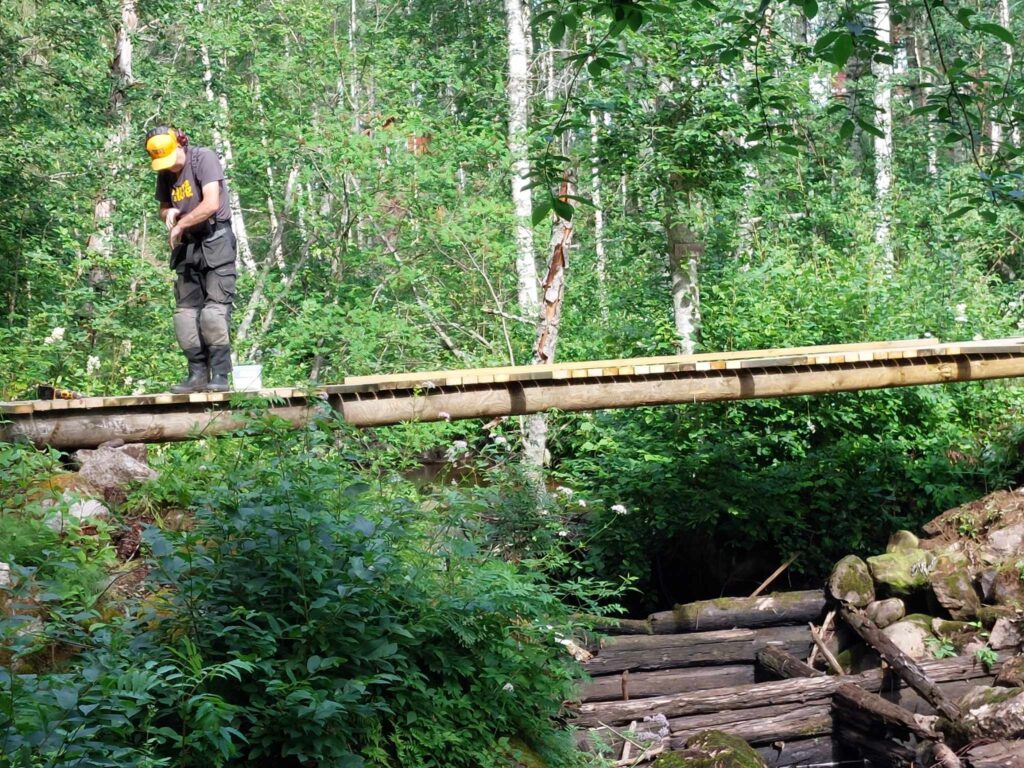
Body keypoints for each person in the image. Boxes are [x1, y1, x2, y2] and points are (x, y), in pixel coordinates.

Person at [145, 126, 236, 393]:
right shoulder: (164, 173)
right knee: (185, 315)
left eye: (171, 158)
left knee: (213, 312)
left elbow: (210, 204)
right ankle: (196, 374)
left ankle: (220, 375)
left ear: (180, 144)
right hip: (187, 247)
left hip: (215, 240)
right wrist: (169, 214)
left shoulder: (203, 158)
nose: (170, 166)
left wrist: (180, 224)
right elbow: (163, 209)